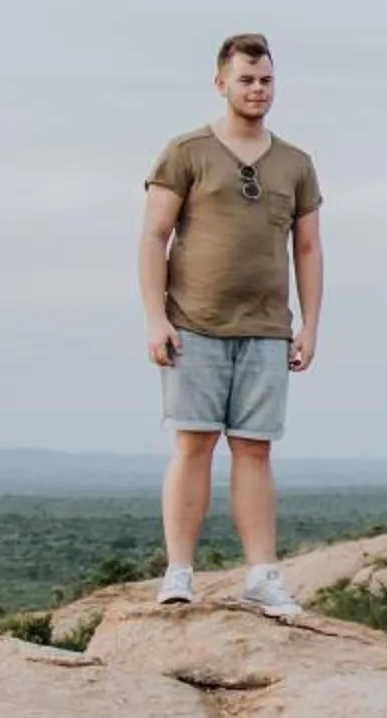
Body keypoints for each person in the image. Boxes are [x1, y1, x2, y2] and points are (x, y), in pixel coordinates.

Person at [138, 32, 323, 619]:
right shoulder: (186, 151)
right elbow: (153, 236)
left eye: (266, 79)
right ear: (222, 84)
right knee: (193, 442)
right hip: (193, 323)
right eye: (246, 79)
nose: (257, 89)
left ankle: (263, 577)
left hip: (267, 328)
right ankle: (178, 572)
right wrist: (155, 319)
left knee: (255, 450)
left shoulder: (295, 163)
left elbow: (308, 248)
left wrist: (309, 326)